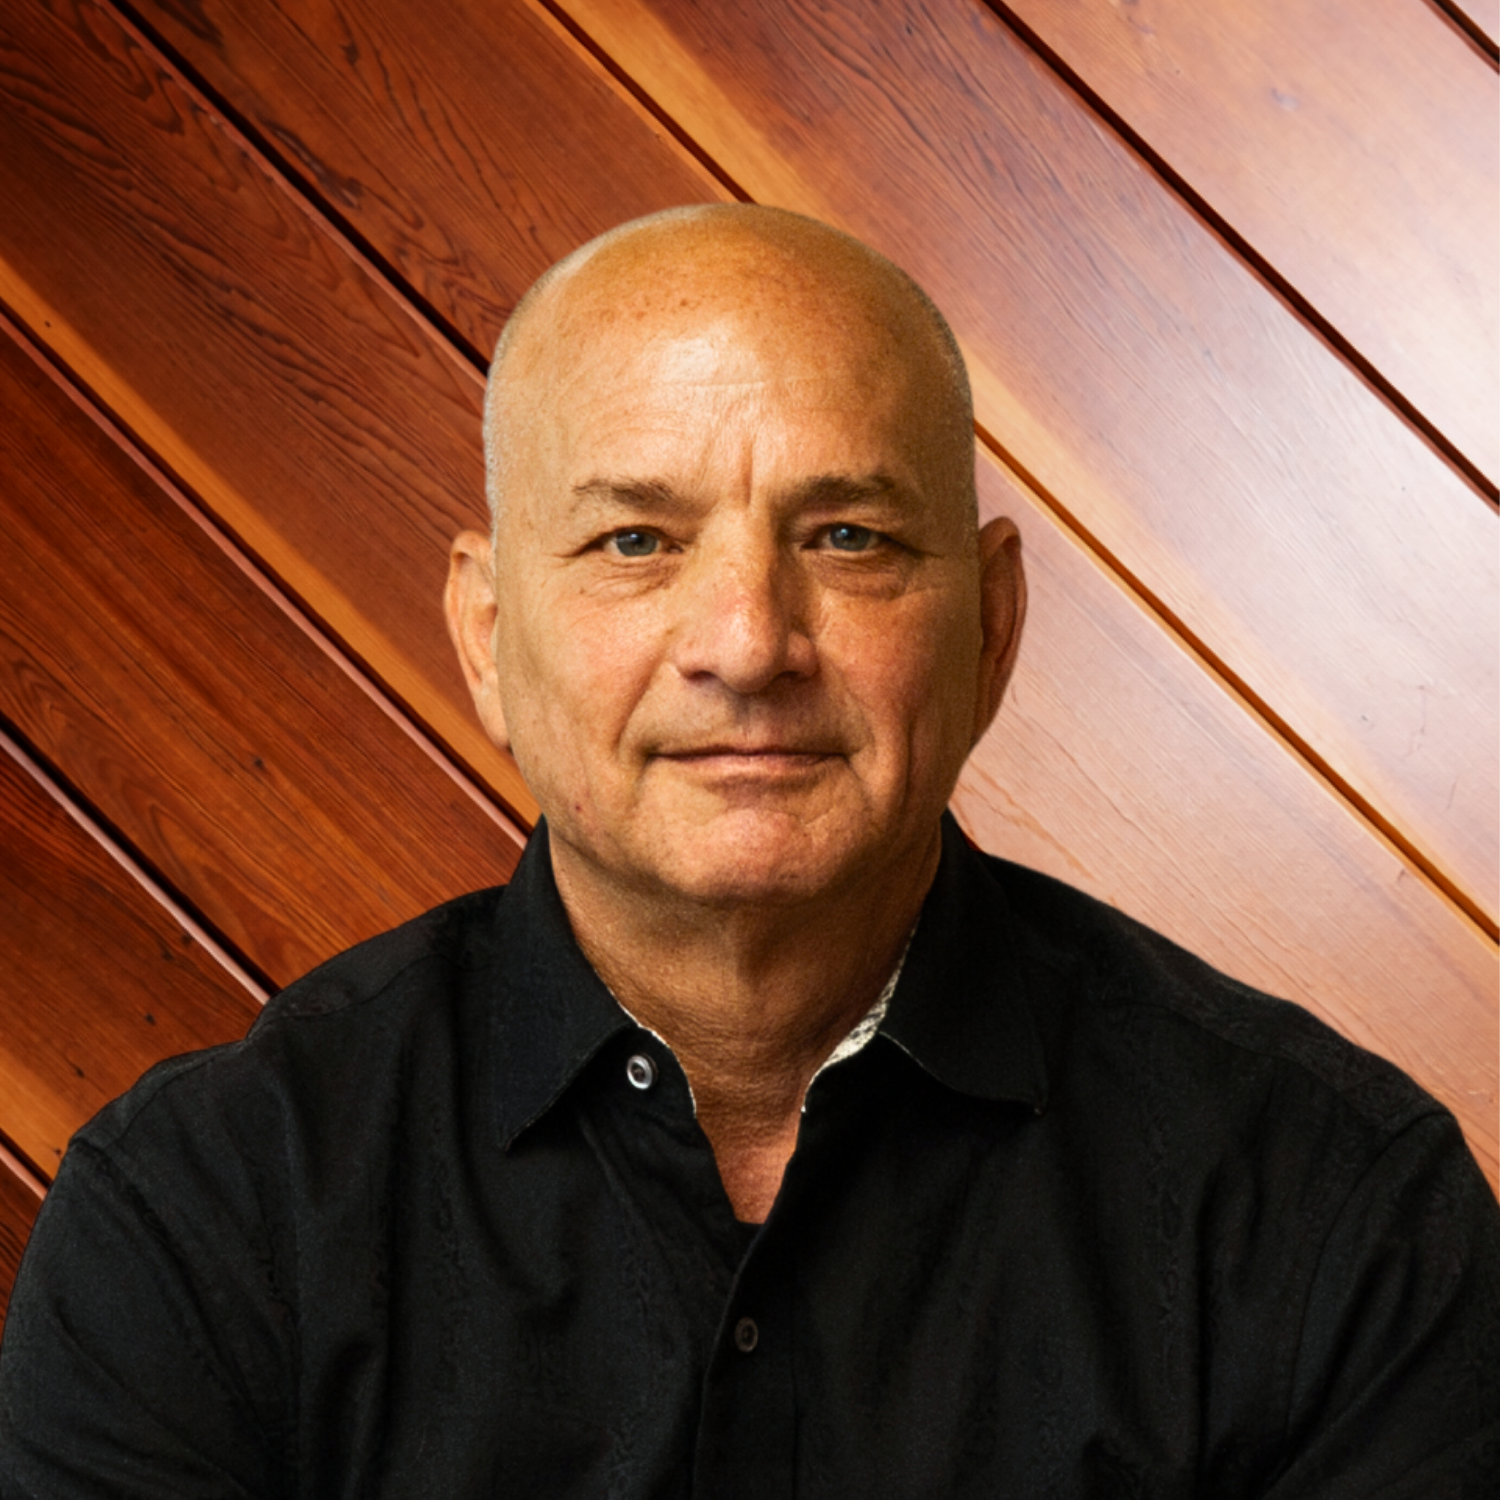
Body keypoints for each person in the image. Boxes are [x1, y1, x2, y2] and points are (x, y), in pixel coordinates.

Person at [1, 204, 1496, 1497]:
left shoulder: (1338, 1219)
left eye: (847, 536)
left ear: (990, 625)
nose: (747, 643)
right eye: (634, 543)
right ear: (487, 632)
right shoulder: (200, 1220)